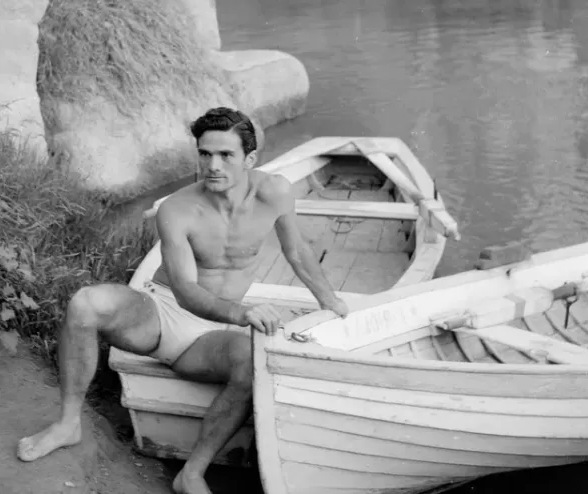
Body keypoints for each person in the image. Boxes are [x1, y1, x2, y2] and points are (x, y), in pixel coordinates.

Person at [17, 107, 349, 494]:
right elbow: (186, 290)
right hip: (162, 313)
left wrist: (331, 303)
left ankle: (191, 473)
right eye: (205, 153)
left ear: (250, 159)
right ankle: (68, 423)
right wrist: (242, 313)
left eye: (226, 155)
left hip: (210, 337)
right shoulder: (178, 209)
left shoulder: (275, 193)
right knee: (84, 304)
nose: (213, 165)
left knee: (250, 362)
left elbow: (297, 252)